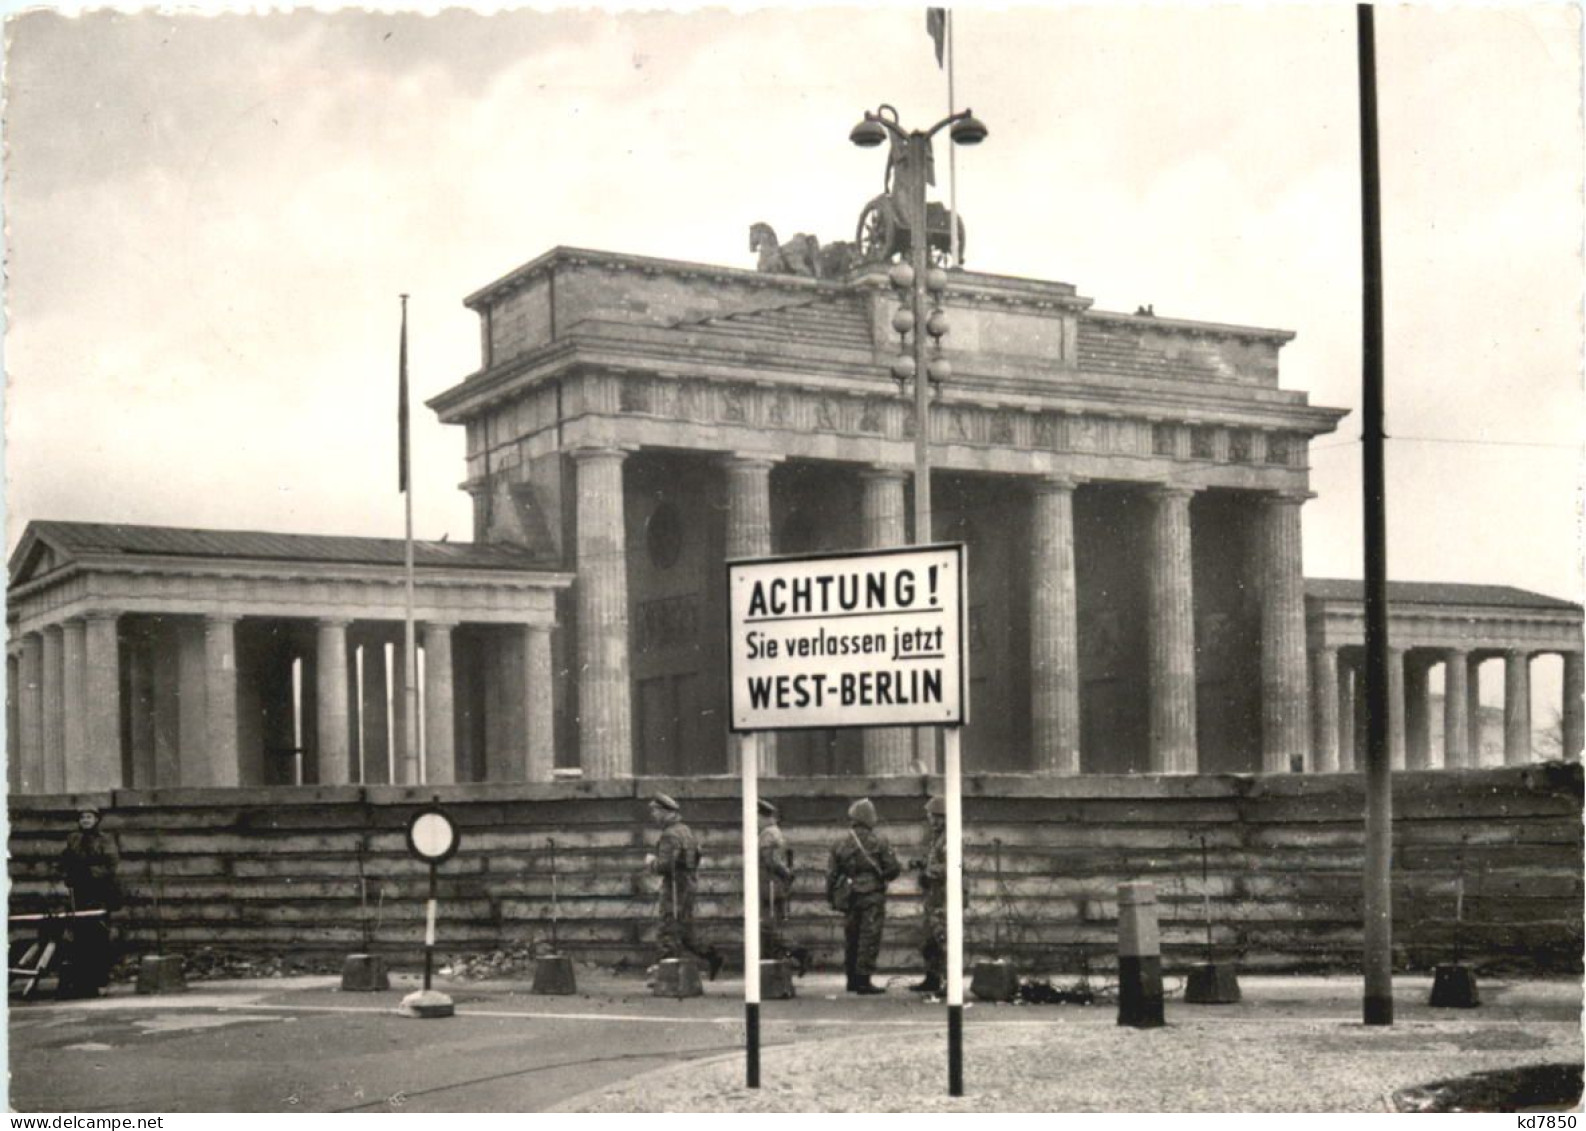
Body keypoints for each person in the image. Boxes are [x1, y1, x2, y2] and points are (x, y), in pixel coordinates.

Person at [644, 793, 724, 980]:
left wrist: (651, 862)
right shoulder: (686, 831)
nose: (653, 815)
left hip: (675, 886)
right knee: (685, 929)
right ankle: (711, 956)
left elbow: (666, 864)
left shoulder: (669, 834)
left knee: (668, 928)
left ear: (665, 812)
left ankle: (667, 975)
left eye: (655, 811)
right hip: (688, 883)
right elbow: (696, 856)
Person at [826, 797, 901, 995]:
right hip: (872, 895)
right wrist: (882, 877)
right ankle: (863, 980)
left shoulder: (839, 842)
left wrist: (831, 897)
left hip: (849, 895)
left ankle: (851, 979)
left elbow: (831, 874)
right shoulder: (879, 841)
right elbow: (893, 869)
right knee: (869, 936)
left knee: (851, 936)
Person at [57, 806, 121, 997]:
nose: (85, 820)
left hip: (99, 892)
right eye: (82, 817)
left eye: (89, 817)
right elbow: (66, 860)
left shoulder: (106, 839)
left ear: (96, 820)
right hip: (79, 893)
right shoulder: (73, 838)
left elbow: (111, 865)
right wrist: (66, 870)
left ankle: (100, 980)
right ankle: (82, 982)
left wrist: (88, 872)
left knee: (99, 936)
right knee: (79, 936)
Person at [757, 800, 810, 974]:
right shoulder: (776, 833)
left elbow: (771, 861)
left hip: (769, 887)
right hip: (775, 886)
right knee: (771, 927)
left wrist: (786, 874)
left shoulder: (767, 834)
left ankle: (798, 953)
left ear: (763, 816)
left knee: (767, 928)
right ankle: (776, 964)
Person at [909, 796, 948, 995]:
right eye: (930, 817)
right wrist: (921, 864)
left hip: (946, 897)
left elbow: (955, 866)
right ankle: (932, 978)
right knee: (928, 940)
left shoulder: (950, 838)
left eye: (934, 817)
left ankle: (949, 984)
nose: (931, 821)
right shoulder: (938, 839)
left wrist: (930, 871)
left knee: (944, 940)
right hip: (935, 895)